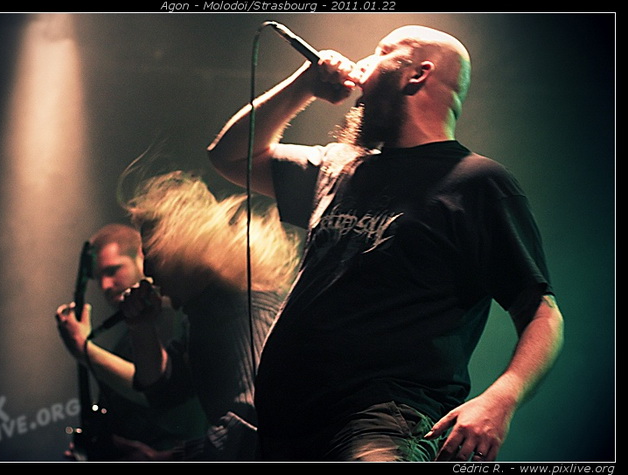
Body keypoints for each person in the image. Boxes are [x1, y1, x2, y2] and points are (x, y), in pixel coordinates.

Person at [207, 25, 564, 462]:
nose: (361, 66)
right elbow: (229, 155)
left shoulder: (476, 182)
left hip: (383, 418)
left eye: (380, 52)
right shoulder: (337, 167)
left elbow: (542, 314)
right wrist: (304, 85)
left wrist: (500, 399)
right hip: (288, 426)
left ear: (417, 73)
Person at [115, 170, 301, 460]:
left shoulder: (240, 309)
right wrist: (142, 328)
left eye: (153, 254)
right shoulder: (204, 309)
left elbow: (249, 429)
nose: (147, 271)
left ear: (181, 246)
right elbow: (166, 389)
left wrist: (162, 459)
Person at [55, 223, 208, 460]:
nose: (105, 285)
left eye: (113, 270)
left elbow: (159, 392)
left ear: (140, 256)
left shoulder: (173, 316)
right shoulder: (126, 335)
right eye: (98, 277)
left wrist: (84, 349)